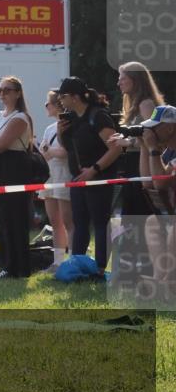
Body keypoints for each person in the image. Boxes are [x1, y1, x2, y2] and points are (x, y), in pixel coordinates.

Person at [57, 77, 123, 273]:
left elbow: (116, 148)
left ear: (75, 97)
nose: (60, 100)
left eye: (63, 96)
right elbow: (68, 148)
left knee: (100, 223)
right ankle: (78, 265)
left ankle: (100, 269)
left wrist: (94, 169)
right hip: (78, 179)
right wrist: (60, 133)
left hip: (99, 179)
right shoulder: (71, 118)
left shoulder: (98, 116)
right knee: (80, 223)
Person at [0, 76, 35, 279]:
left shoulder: (21, 118)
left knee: (15, 219)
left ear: (18, 93)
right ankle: (6, 266)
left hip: (15, 170)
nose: (2, 94)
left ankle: (19, 268)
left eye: (7, 90)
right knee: (1, 219)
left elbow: (1, 144)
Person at [116, 62, 165, 217]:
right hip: (133, 164)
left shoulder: (146, 104)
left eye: (123, 79)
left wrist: (128, 142)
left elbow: (153, 136)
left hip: (143, 163)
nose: (119, 83)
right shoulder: (133, 105)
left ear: (135, 79)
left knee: (141, 211)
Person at [135, 105, 176, 290]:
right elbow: (147, 183)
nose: (150, 132)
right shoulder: (169, 151)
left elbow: (160, 183)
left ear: (170, 128)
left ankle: (170, 280)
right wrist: (145, 148)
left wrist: (153, 148)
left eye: (154, 127)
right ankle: (160, 277)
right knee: (153, 221)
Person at [38, 91, 73, 271]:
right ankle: (58, 262)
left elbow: (66, 152)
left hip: (64, 174)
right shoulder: (49, 129)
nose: (45, 106)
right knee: (54, 220)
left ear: (58, 105)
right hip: (49, 175)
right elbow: (43, 152)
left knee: (68, 220)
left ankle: (73, 261)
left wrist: (50, 152)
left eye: (48, 103)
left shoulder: (69, 125)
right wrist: (49, 152)